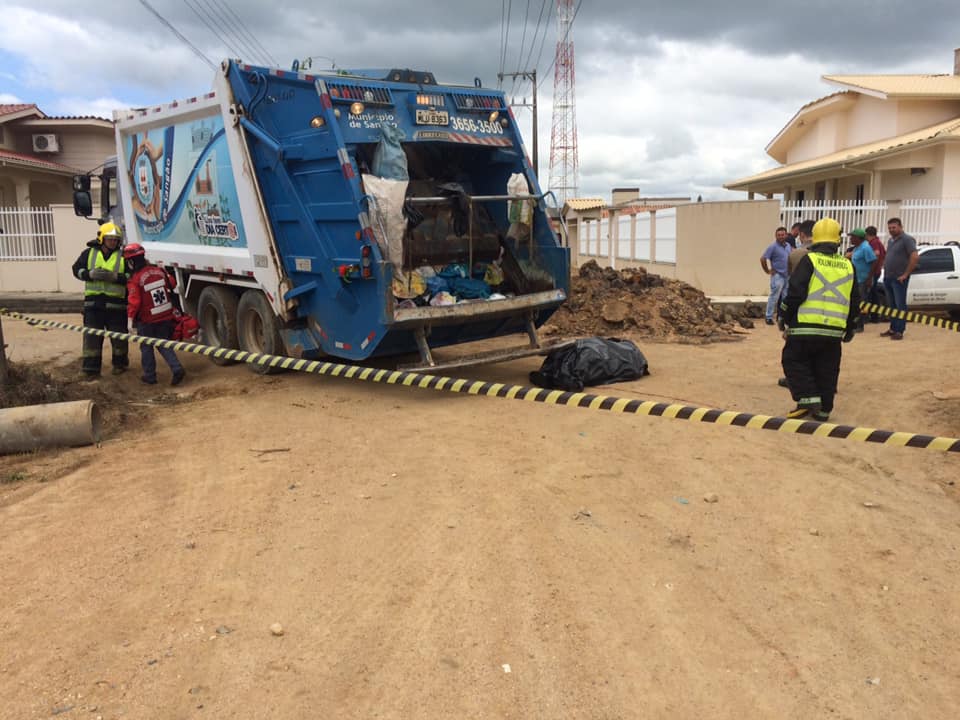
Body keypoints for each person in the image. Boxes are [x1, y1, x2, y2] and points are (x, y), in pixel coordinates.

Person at [778, 217, 859, 421]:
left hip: (805, 328)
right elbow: (854, 300)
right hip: (833, 331)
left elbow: (795, 292)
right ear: (837, 241)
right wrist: (850, 328)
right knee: (827, 369)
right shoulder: (848, 265)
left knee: (793, 361)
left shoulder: (810, 260)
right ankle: (824, 410)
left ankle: (808, 398)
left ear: (814, 240)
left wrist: (784, 315)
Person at [71, 221, 129, 378]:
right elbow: (76, 270)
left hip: (116, 306)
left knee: (119, 339)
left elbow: (132, 276)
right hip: (93, 306)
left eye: (116, 239)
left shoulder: (124, 255)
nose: (113, 242)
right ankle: (90, 369)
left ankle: (120, 365)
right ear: (102, 238)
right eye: (110, 239)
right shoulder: (88, 253)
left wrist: (116, 277)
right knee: (91, 339)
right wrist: (89, 274)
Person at [124, 243, 186, 386]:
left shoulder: (135, 279)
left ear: (131, 261)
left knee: (146, 347)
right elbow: (173, 283)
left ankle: (150, 376)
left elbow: (134, 302)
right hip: (165, 315)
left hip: (147, 319)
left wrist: (129, 320)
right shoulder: (159, 271)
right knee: (163, 343)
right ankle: (176, 368)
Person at [881, 217, 918, 341]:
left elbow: (914, 256)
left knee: (900, 304)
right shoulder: (891, 241)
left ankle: (900, 330)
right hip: (888, 277)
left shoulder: (907, 240)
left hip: (899, 279)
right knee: (892, 305)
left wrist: (906, 274)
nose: (891, 230)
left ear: (900, 227)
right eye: (890, 228)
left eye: (894, 227)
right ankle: (893, 328)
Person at [844, 228, 877, 332]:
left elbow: (873, 262)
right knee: (856, 302)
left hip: (862, 279)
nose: (850, 239)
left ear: (858, 238)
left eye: (852, 237)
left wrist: (869, 278)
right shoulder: (857, 248)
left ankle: (860, 325)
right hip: (855, 279)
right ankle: (855, 324)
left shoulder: (865, 248)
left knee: (861, 302)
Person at [760, 226, 792, 324]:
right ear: (775, 236)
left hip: (787, 275)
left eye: (782, 235)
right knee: (774, 296)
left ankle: (781, 317)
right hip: (777, 275)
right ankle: (768, 317)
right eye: (778, 235)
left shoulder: (788, 246)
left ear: (786, 235)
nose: (781, 237)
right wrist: (767, 271)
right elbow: (763, 258)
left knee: (785, 298)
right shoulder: (773, 247)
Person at [864, 226, 887, 322]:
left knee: (870, 294)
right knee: (873, 293)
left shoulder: (874, 243)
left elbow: (876, 255)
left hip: (873, 272)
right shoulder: (878, 242)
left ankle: (873, 315)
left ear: (867, 234)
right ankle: (875, 315)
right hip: (876, 271)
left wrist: (871, 271)